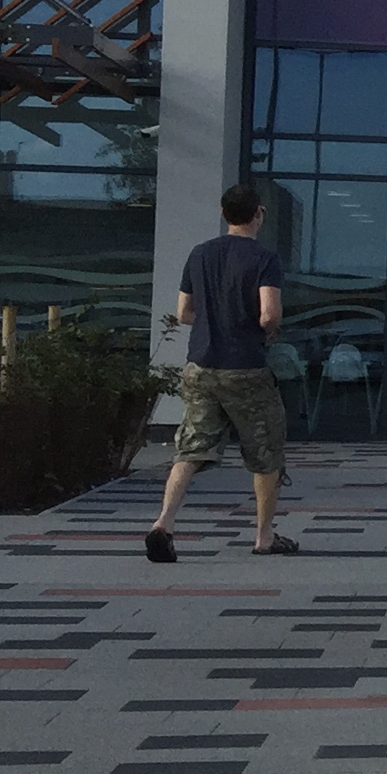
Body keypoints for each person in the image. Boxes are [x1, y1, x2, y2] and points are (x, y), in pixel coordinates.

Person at [145, 184, 295, 561]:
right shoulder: (264, 258)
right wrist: (262, 329)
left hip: (200, 367)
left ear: (224, 213)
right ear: (258, 213)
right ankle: (264, 537)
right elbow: (269, 314)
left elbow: (183, 313)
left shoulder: (200, 254)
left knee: (190, 449)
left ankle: (163, 523)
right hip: (245, 368)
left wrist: (214, 321)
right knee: (265, 453)